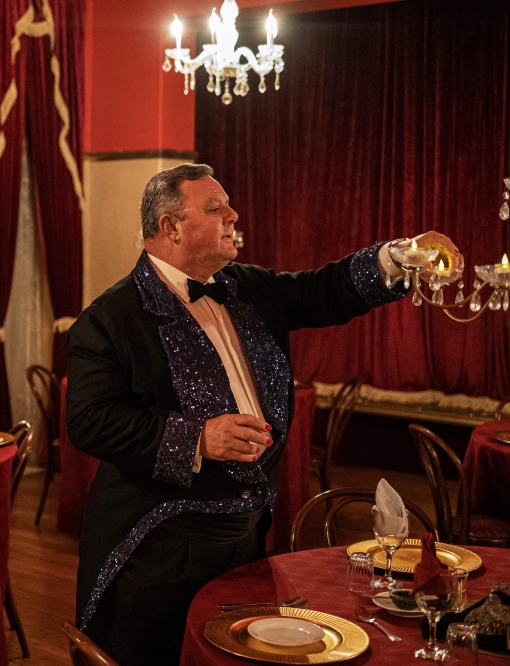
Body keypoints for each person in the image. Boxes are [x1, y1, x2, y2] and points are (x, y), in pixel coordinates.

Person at [66, 164, 459, 665]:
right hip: (158, 546)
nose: (233, 215)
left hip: (248, 533)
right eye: (214, 208)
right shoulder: (108, 319)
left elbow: (326, 289)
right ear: (170, 227)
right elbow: (89, 421)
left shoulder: (246, 287)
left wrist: (401, 255)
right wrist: (197, 438)